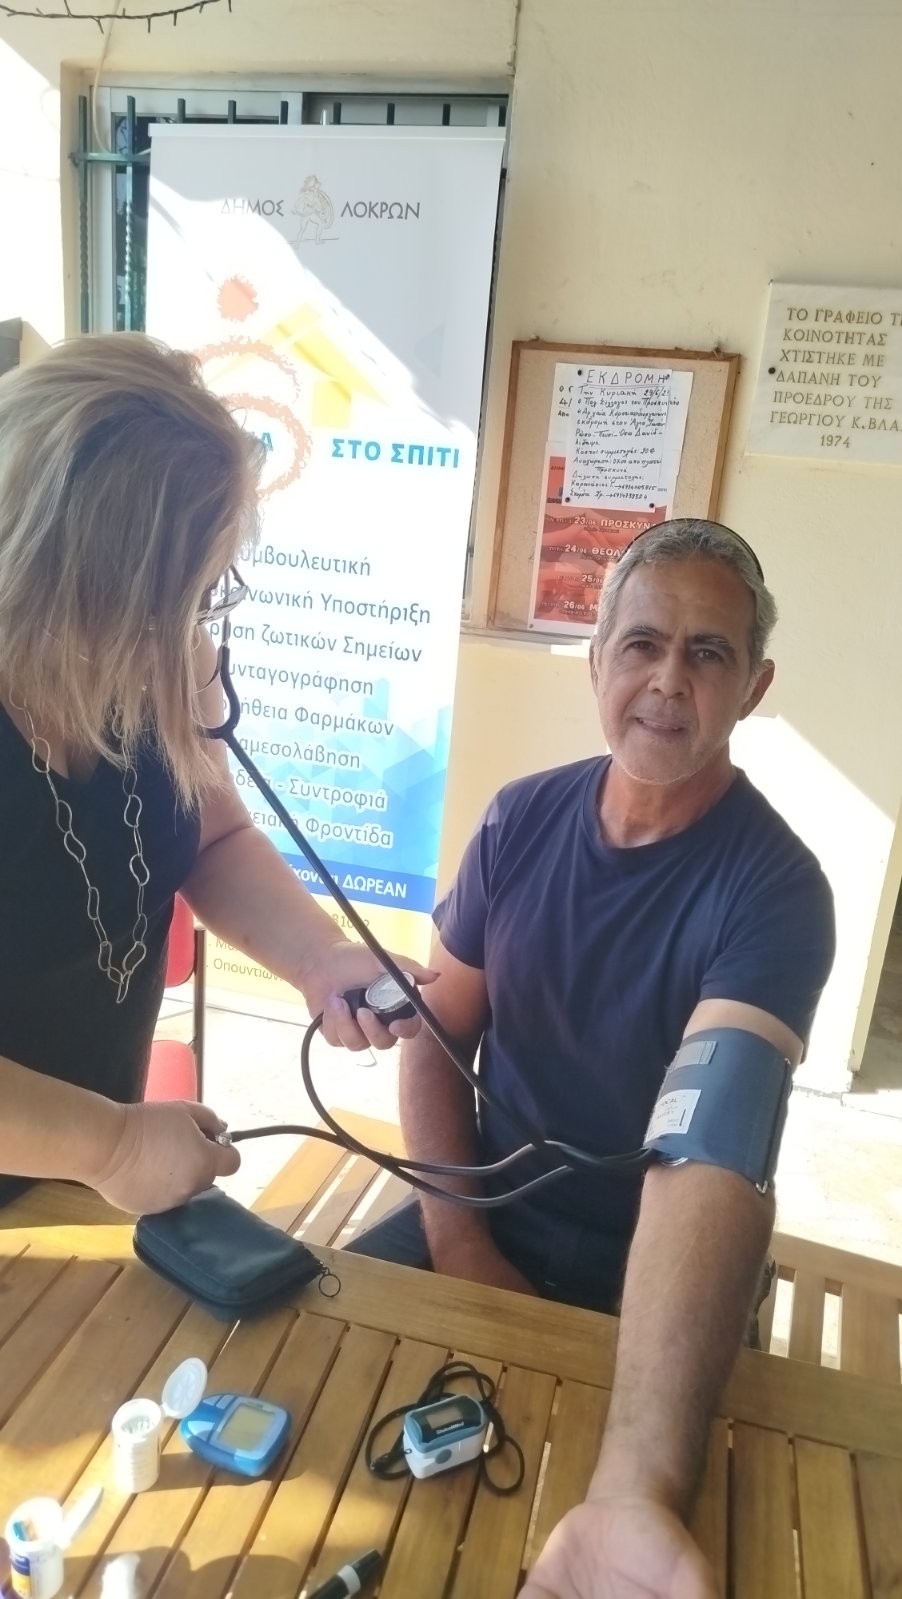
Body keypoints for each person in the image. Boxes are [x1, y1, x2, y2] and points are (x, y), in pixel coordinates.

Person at [349, 518, 835, 1598]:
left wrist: (640, 1479)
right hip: (483, 1208)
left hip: (656, 1268)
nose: (668, 680)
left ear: (752, 687)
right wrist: (461, 1242)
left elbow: (710, 1150)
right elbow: (439, 1036)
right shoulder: (519, 819)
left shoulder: (779, 891)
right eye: (642, 644)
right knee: (314, 1379)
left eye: (708, 653)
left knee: (683, 1536)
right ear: (597, 659)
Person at [0, 332, 432, 1218]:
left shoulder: (163, 650)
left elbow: (212, 831)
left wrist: (317, 957)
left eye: (206, 592)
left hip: (77, 1185)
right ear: (73, 578)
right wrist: (114, 1145)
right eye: (178, 597)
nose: (193, 631)